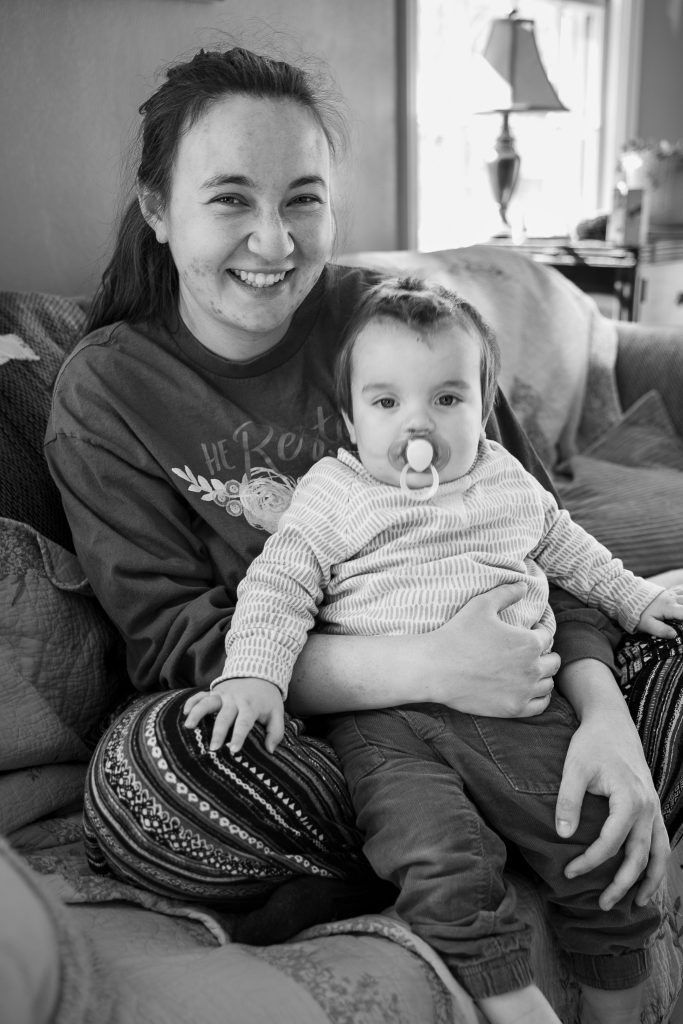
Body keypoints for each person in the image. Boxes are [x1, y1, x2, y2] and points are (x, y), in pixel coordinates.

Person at [45, 43, 673, 964]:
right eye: (230, 199)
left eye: (303, 197)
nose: (275, 241)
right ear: (157, 211)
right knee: (147, 785)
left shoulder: (403, 328)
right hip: (309, 731)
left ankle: (505, 819)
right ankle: (459, 831)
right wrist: (429, 665)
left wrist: (607, 723)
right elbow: (179, 648)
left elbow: (535, 535)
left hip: (519, 696)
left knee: (673, 645)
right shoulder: (107, 394)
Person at [183, 276, 681, 1024]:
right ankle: (513, 1003)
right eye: (386, 403)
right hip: (386, 727)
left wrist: (637, 600)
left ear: (483, 408)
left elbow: (571, 551)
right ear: (350, 418)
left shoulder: (504, 478)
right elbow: (277, 582)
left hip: (519, 709)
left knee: (599, 849)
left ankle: (618, 1010)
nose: (418, 426)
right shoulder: (334, 490)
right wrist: (255, 673)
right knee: (437, 857)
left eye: (446, 399)